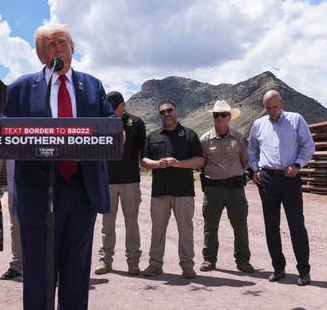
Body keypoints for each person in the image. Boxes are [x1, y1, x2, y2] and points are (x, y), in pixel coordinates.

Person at [1, 23, 114, 309]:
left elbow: (111, 127)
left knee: (76, 274)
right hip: (38, 191)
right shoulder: (20, 89)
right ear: (41, 55)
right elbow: (4, 136)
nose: (58, 48)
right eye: (50, 45)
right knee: (38, 275)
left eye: (62, 42)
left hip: (82, 189)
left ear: (72, 48)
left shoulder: (92, 85)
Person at [248, 90, 315, 286]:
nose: (271, 111)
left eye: (274, 107)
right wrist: (255, 169)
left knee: (296, 225)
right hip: (267, 179)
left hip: (290, 177)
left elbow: (308, 146)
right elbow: (252, 149)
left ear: (282, 104)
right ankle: (278, 268)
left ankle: (304, 270)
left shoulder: (296, 120)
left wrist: (298, 165)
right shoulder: (258, 124)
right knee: (271, 226)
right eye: (268, 108)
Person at [141, 100, 204, 279]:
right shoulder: (152, 136)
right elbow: (144, 160)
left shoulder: (189, 135)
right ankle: (155, 264)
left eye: (169, 110)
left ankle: (187, 266)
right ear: (159, 115)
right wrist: (158, 164)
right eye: (162, 112)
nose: (166, 114)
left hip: (183, 191)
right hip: (160, 191)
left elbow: (199, 160)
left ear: (176, 111)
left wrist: (179, 164)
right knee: (157, 229)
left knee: (185, 229)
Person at [198, 100, 253, 273]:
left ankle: (243, 260)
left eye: (223, 115)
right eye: (216, 115)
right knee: (210, 225)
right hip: (212, 189)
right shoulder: (205, 140)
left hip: (235, 189)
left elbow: (246, 161)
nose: (219, 118)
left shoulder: (239, 138)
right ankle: (209, 259)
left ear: (229, 117)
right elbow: (202, 163)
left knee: (240, 225)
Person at [95, 91, 146, 276]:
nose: (111, 110)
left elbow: (142, 151)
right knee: (107, 222)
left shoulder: (137, 123)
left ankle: (133, 262)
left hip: (130, 181)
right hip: (107, 181)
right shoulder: (102, 122)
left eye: (114, 107)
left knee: (131, 222)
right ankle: (105, 261)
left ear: (123, 105)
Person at [0, 159, 23, 280]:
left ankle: (49, 264)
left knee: (46, 224)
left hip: (43, 185)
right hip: (15, 187)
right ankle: (18, 266)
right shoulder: (7, 138)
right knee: (16, 225)